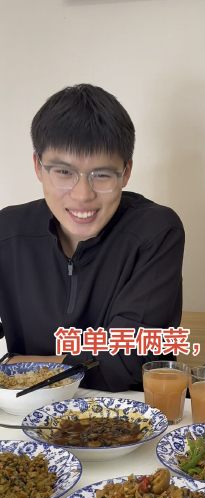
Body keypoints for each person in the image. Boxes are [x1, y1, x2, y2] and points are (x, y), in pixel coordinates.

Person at [0, 84, 185, 391]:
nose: (82, 195)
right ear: (38, 167)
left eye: (101, 175)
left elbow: (127, 363)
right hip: (25, 409)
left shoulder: (156, 232)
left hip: (130, 412)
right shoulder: (7, 231)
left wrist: (21, 365)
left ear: (126, 172)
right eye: (63, 172)